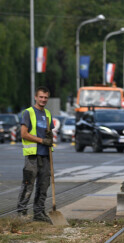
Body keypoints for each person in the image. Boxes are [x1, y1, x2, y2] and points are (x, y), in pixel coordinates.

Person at [17, 86, 54, 222]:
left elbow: (50, 133)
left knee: (43, 185)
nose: (43, 100)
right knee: (28, 184)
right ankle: (21, 212)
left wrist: (50, 137)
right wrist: (42, 140)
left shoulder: (48, 114)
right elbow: (24, 134)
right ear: (36, 97)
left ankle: (39, 213)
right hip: (32, 155)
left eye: (46, 97)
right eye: (41, 97)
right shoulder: (28, 113)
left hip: (46, 156)